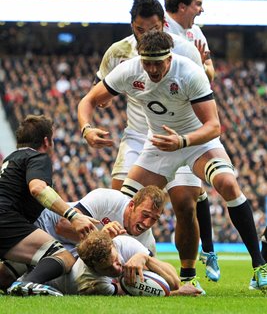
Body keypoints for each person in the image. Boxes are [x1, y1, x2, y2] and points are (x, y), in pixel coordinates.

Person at [78, 30, 267, 292]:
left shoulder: (188, 72)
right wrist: (86, 128)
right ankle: (117, 268)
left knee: (225, 184)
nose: (153, 69)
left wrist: (183, 141)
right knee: (126, 207)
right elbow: (89, 99)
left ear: (170, 57)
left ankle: (259, 266)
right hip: (159, 145)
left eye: (158, 62)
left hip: (196, 141)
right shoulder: (130, 70)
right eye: (148, 63)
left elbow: (214, 126)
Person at [118, 0, 219, 281]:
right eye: (197, 4)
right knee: (125, 199)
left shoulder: (198, 38)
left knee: (185, 203)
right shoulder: (160, 26)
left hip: (185, 130)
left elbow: (211, 77)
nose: (201, 10)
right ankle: (120, 259)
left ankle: (192, 270)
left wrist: (208, 72)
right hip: (147, 134)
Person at [94, 0, 219, 283]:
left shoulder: (184, 50)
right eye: (139, 29)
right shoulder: (119, 53)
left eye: (151, 28)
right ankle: (123, 267)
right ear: (132, 26)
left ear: (162, 24)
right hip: (139, 136)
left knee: (185, 204)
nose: (146, 36)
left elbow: (204, 90)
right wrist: (89, 123)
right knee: (122, 204)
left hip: (180, 134)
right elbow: (97, 93)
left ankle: (188, 274)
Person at [0, 114, 98, 297]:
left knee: (18, 266)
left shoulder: (12, 159)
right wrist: (73, 216)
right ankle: (27, 285)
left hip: (6, 221)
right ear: (46, 141)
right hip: (5, 219)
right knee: (63, 256)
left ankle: (10, 280)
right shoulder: (38, 157)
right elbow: (38, 188)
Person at [0, 185, 166, 292]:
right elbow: (63, 226)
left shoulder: (146, 241)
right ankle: (26, 283)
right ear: (131, 205)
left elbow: (151, 282)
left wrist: (144, 259)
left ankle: (25, 283)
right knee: (6, 276)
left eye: (154, 219)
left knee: (5, 279)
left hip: (71, 253)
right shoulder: (108, 200)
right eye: (145, 215)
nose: (147, 223)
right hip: (45, 228)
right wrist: (101, 237)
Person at [39, 231, 202, 296]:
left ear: (113, 247)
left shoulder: (123, 243)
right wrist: (178, 294)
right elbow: (135, 294)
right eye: (108, 268)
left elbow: (174, 281)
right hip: (48, 285)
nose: (117, 268)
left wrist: (146, 259)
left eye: (116, 260)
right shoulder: (91, 281)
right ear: (94, 268)